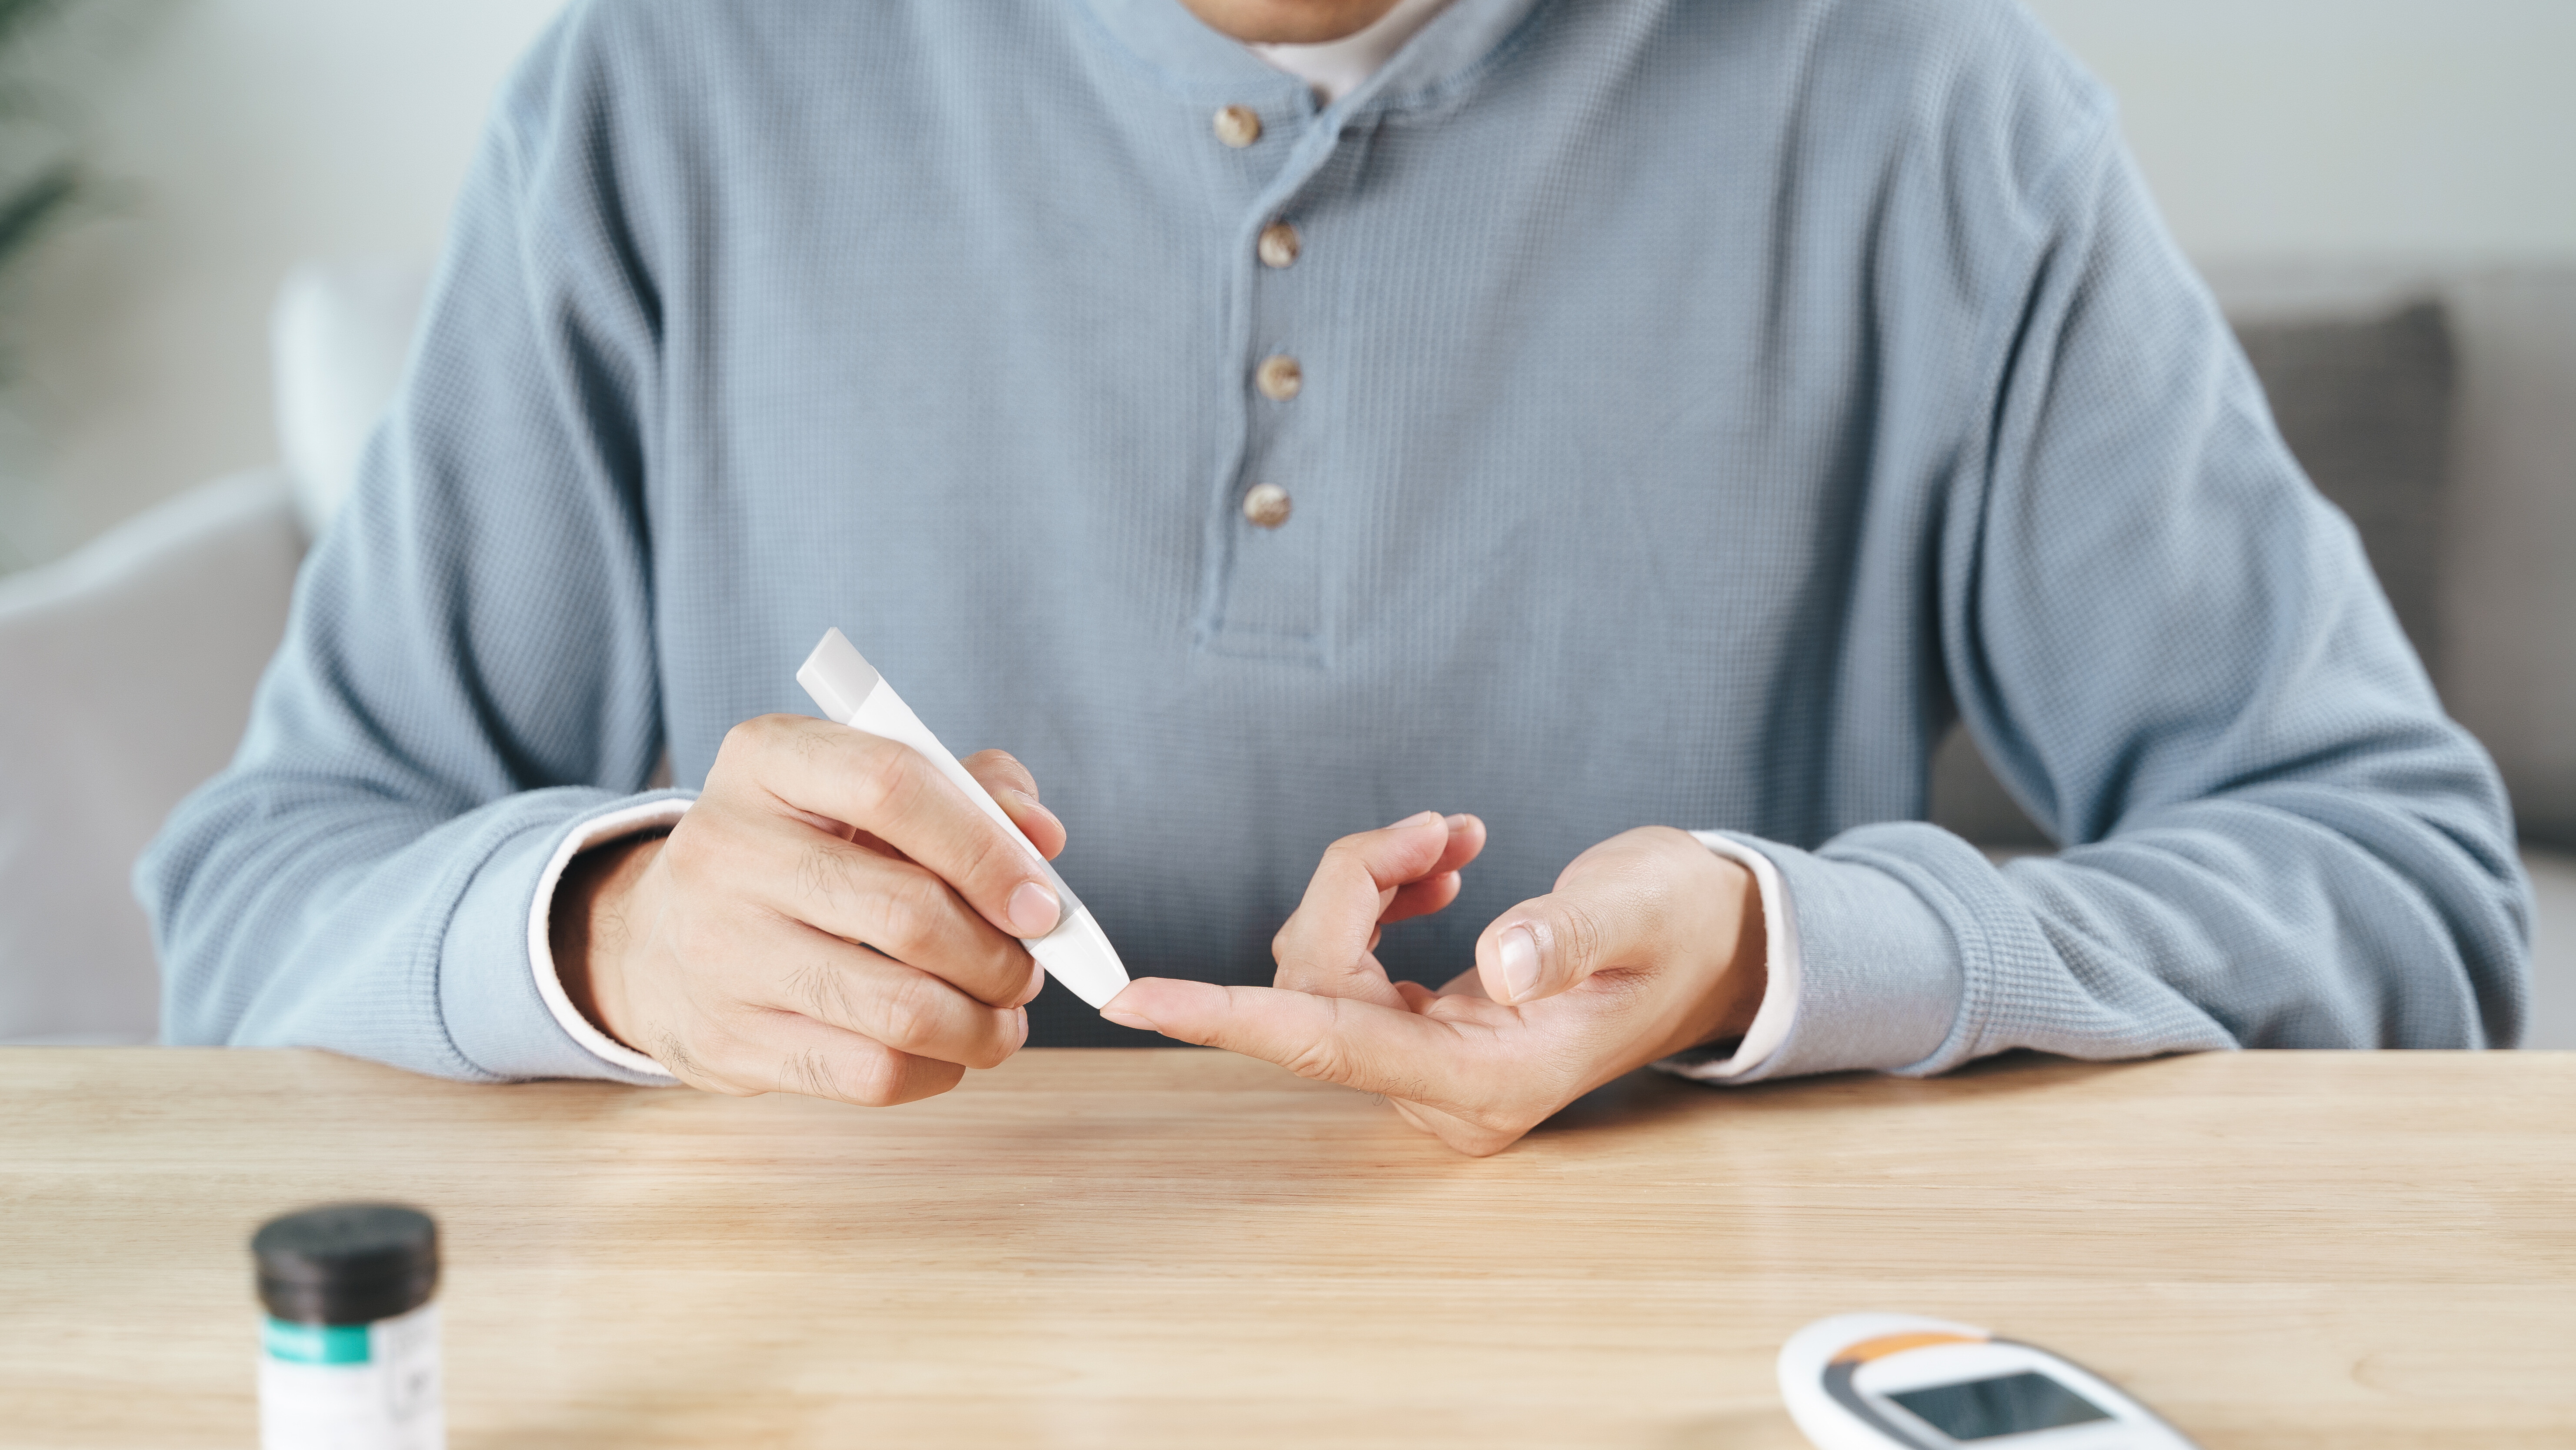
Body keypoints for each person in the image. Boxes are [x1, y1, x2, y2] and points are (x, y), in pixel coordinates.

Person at [142, 0, 2530, 1156]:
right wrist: (612, 929)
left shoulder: (1911, 97)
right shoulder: (670, 86)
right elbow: (260, 898)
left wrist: (1773, 948)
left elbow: (2407, 896)